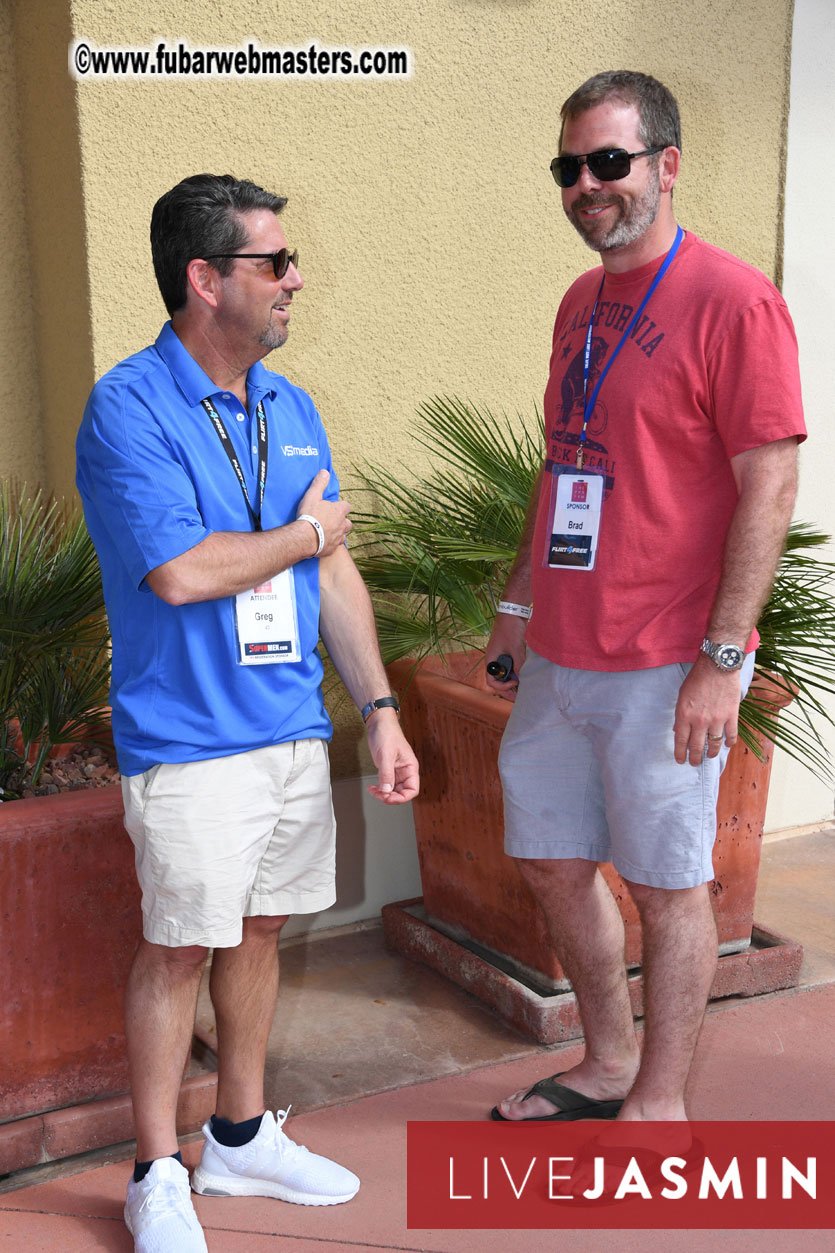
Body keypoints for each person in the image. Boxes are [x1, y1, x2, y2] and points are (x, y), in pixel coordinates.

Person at [76, 174, 419, 1253]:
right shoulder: (129, 405)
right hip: (187, 742)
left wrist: (380, 705)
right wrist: (308, 538)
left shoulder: (289, 405)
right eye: (275, 263)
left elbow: (337, 576)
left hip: (289, 732)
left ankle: (234, 1130)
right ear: (204, 277)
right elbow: (181, 571)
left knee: (262, 927)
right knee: (179, 945)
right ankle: (154, 1168)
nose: (295, 279)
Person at [485, 72, 805, 1126]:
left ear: (665, 165)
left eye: (608, 162)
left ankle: (658, 1100)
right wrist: (521, 603)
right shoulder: (580, 304)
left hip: (670, 654)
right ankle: (607, 1057)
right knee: (550, 858)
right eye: (569, 167)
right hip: (565, 646)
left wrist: (721, 659)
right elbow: (562, 465)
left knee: (670, 884)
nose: (587, 185)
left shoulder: (733, 300)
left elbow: (769, 480)